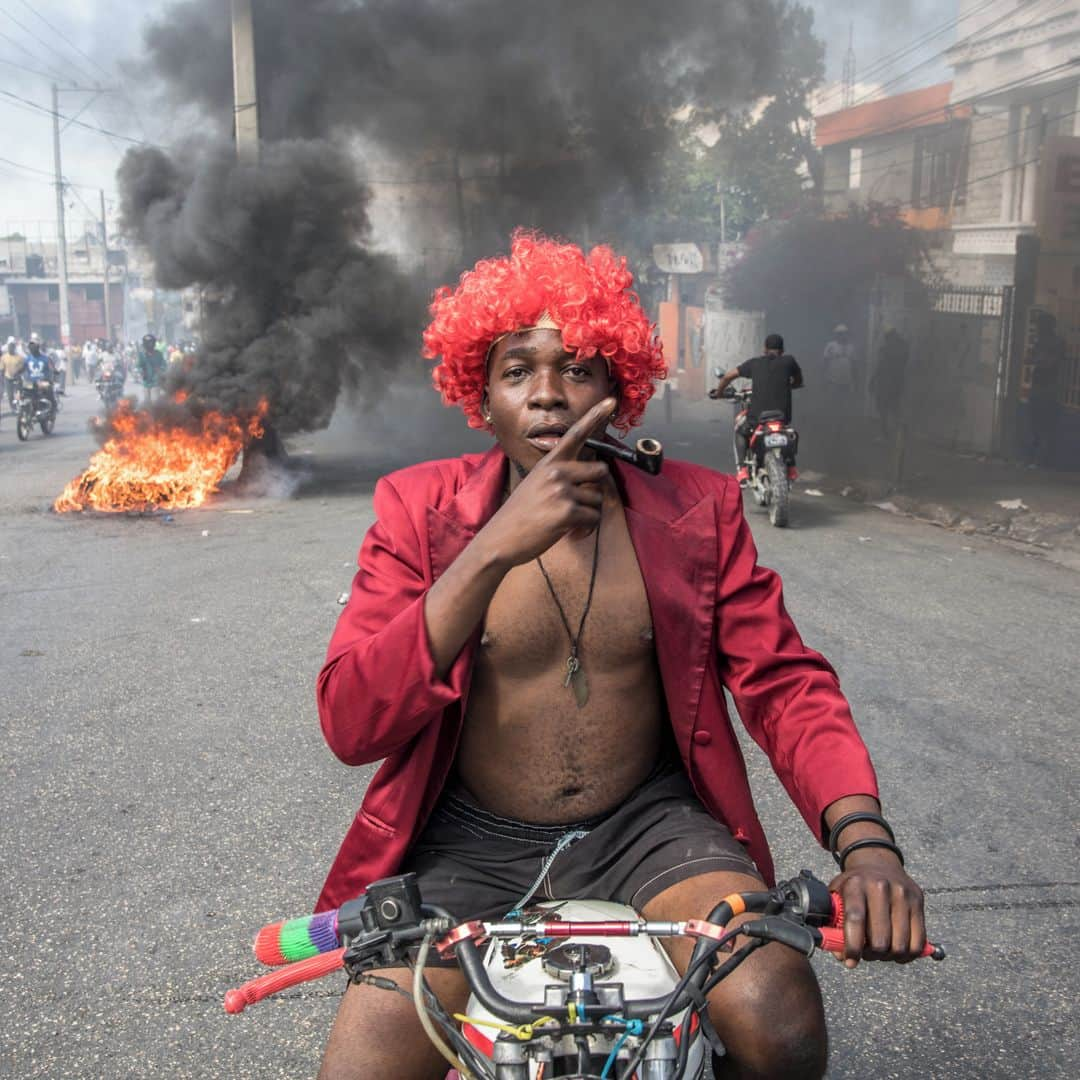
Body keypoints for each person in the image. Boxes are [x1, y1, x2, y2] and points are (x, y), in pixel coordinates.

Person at [316, 232, 926, 1080]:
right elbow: (350, 722)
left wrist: (867, 846)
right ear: (481, 398)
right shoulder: (417, 511)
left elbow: (784, 682)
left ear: (619, 388)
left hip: (648, 826)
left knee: (778, 1017)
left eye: (579, 367)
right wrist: (491, 549)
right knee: (364, 1063)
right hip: (469, 841)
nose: (549, 396)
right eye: (517, 370)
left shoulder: (695, 509)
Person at [710, 333, 803, 485]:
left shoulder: (755, 363)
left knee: (740, 428)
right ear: (782, 350)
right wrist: (790, 385)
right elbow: (798, 380)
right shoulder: (789, 361)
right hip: (782, 417)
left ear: (764, 349)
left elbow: (728, 376)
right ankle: (791, 466)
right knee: (788, 432)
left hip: (758, 418)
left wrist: (719, 393)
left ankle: (742, 470)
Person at [1026, 313, 1064, 467]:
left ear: (1046, 326)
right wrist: (1039, 359)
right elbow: (1030, 359)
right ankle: (1036, 459)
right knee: (1036, 422)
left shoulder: (1057, 342)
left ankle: (1041, 460)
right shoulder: (1039, 342)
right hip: (1039, 385)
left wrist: (1039, 360)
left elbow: (1049, 363)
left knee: (1044, 424)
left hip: (1049, 387)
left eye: (1039, 325)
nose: (1037, 328)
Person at [871, 327, 909, 441]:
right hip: (896, 383)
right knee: (894, 409)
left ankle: (886, 434)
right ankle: (897, 434)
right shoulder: (903, 348)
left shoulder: (886, 349)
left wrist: (873, 380)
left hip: (886, 383)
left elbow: (880, 366)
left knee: (884, 410)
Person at [822, 323, 859, 412]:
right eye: (840, 333)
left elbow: (854, 364)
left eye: (844, 333)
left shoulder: (851, 347)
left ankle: (842, 419)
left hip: (847, 380)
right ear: (836, 335)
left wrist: (855, 379)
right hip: (833, 379)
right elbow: (825, 362)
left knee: (845, 402)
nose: (842, 335)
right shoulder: (830, 346)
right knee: (833, 402)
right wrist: (824, 377)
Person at [136, 333, 166, 402]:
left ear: (154, 343)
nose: (149, 344)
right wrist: (141, 372)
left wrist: (160, 370)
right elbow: (138, 366)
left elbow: (164, 365)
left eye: (151, 342)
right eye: (147, 343)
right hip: (146, 383)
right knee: (147, 403)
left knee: (154, 400)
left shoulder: (158, 354)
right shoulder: (141, 355)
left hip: (155, 382)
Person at [2, 337, 24, 412]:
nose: (11, 347)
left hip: (17, 378)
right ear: (8, 347)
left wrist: (18, 373)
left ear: (14, 347)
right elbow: (2, 369)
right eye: (10, 346)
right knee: (10, 395)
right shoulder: (4, 357)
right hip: (8, 378)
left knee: (18, 394)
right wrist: (2, 379)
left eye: (12, 346)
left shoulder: (19, 357)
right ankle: (13, 408)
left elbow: (23, 368)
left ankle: (19, 406)